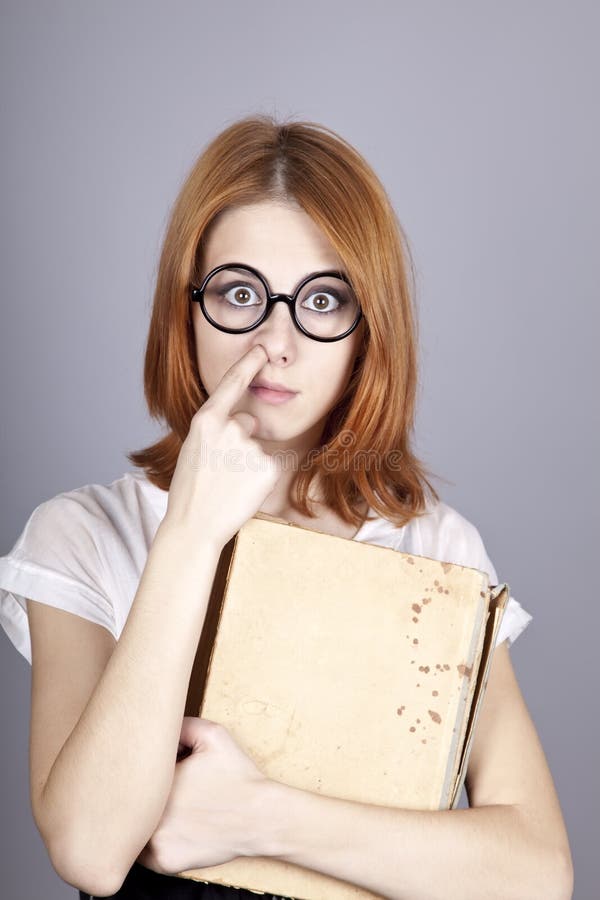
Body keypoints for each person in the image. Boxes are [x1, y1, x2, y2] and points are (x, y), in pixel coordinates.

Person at [0, 115, 573, 900]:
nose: (276, 341)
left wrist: (260, 817)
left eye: (324, 300)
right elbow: (91, 851)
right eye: (241, 293)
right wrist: (193, 532)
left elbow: (537, 872)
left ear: (369, 331)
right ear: (186, 306)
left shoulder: (436, 549)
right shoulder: (83, 534)